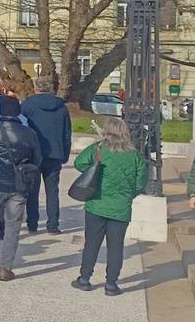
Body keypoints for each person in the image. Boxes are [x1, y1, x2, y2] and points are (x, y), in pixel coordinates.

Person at [72, 117, 147, 296]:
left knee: (92, 244)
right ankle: (111, 284)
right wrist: (127, 195)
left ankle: (84, 279)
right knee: (116, 246)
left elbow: (78, 163)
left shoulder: (98, 149)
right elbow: (141, 182)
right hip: (121, 208)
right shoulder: (134, 155)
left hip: (96, 204)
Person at [0, 96, 42, 281]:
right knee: (12, 226)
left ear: (1, 111)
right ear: (18, 112)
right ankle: (5, 267)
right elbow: (37, 160)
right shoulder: (29, 133)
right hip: (18, 184)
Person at [22, 76, 72, 234]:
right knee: (52, 191)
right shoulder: (61, 107)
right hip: (55, 153)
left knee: (32, 191)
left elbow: (22, 129)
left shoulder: (27, 105)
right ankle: (53, 225)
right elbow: (66, 133)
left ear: (36, 88)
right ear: (50, 88)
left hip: (33, 154)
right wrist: (65, 153)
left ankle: (32, 223)